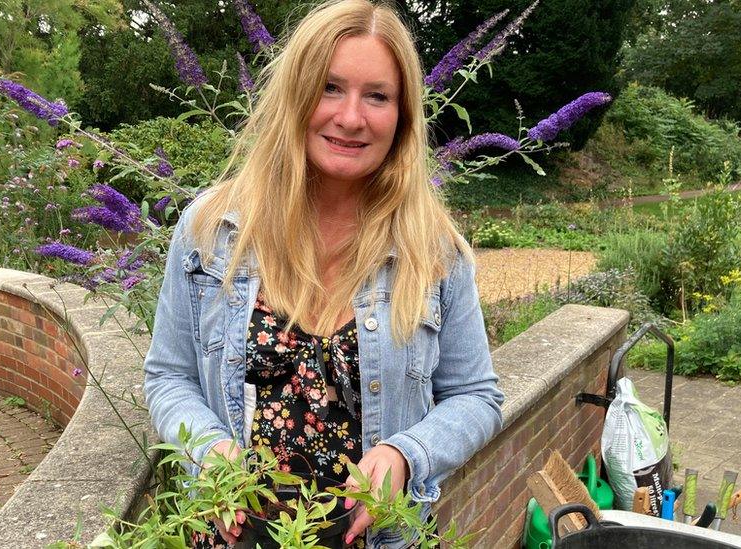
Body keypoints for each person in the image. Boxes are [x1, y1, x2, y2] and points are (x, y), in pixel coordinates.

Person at [142, 1, 504, 547]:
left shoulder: (434, 251)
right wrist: (209, 449)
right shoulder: (213, 229)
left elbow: (476, 396)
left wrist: (407, 455)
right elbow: (169, 376)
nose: (352, 117)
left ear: (403, 115)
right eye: (330, 87)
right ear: (295, 95)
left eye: (377, 96)